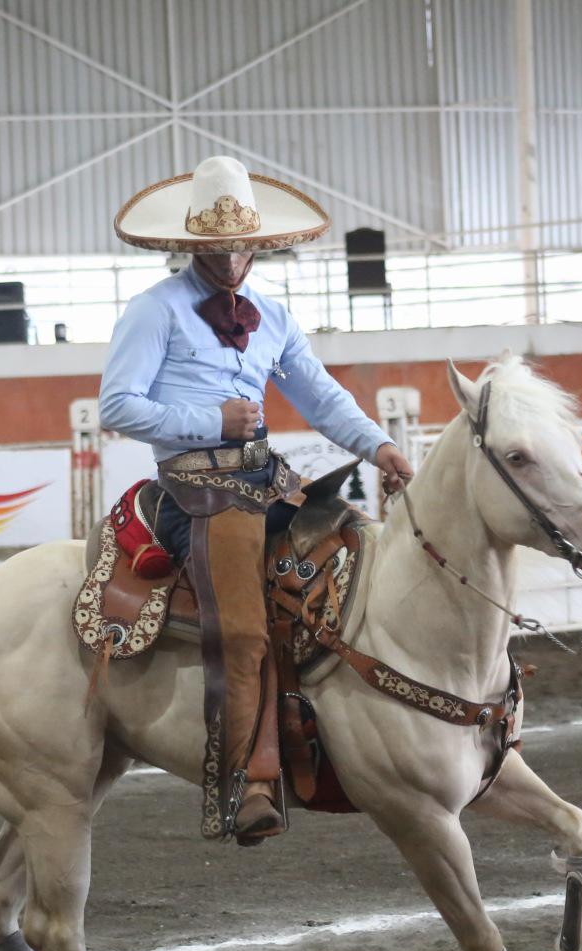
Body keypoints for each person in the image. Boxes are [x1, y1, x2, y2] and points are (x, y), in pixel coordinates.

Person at [99, 156, 415, 843]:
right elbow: (118, 405)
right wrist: (213, 420)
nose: (233, 258)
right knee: (242, 631)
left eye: (243, 244)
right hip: (196, 485)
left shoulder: (273, 315)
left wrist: (379, 448)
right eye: (217, 247)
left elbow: (320, 394)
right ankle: (246, 784)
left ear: (258, 244)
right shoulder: (153, 311)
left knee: (354, 548)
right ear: (191, 248)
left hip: (264, 475)